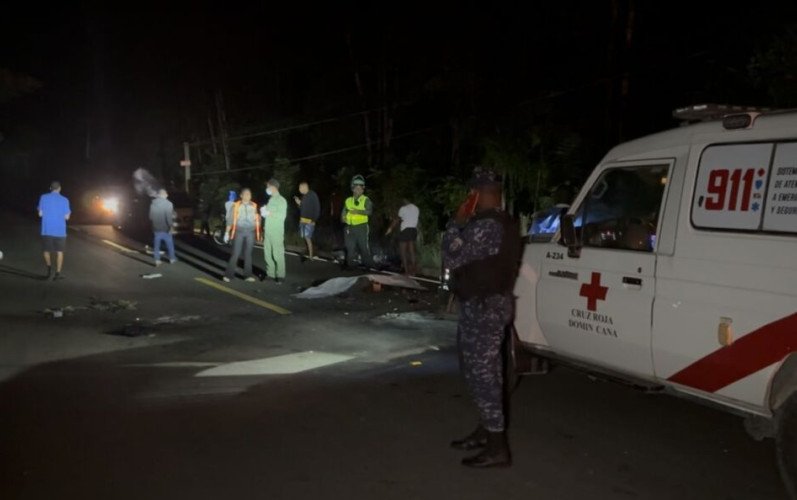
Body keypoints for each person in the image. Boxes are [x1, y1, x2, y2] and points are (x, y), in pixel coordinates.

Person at [443, 167, 520, 468]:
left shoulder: (487, 225)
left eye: (472, 192)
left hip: (484, 309)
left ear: (478, 193)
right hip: (485, 305)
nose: (469, 196)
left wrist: (456, 223)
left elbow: (452, 256)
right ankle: (486, 431)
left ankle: (497, 447)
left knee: (483, 376)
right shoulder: (501, 221)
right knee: (484, 374)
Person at [223, 188, 261, 282]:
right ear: (241, 195)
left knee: (248, 254)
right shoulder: (236, 205)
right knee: (235, 253)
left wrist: (259, 232)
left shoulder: (254, 206)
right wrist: (227, 233)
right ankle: (228, 275)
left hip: (250, 232)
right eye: (245, 194)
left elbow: (257, 220)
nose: (247, 196)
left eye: (249, 194)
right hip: (238, 232)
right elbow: (230, 220)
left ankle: (247, 275)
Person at [37, 181, 71, 280]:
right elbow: (67, 217)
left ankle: (49, 269)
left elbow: (40, 214)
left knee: (46, 251)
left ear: (50, 188)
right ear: (60, 188)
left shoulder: (43, 197)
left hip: (47, 229)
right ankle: (57, 273)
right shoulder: (65, 200)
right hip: (60, 231)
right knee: (59, 252)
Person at [340, 174, 375, 269]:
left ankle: (368, 265)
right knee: (350, 247)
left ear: (363, 189)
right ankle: (350, 264)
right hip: (349, 227)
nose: (359, 189)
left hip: (361, 227)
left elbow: (369, 211)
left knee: (363, 247)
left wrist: (358, 211)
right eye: (357, 187)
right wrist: (343, 217)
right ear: (352, 188)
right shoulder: (348, 200)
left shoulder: (366, 200)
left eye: (361, 187)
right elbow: (344, 211)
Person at [261, 179, 288, 284]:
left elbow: (282, 216)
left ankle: (280, 275)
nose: (266, 189)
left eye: (267, 186)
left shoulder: (281, 200)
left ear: (273, 187)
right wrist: (264, 212)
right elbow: (268, 214)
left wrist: (269, 213)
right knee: (267, 253)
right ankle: (270, 274)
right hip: (268, 230)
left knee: (277, 253)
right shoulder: (271, 200)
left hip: (276, 231)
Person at [386, 199, 420, 276]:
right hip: (413, 230)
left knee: (403, 251)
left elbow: (396, 220)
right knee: (411, 251)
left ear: (405, 200)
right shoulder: (416, 208)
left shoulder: (403, 208)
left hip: (405, 230)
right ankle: (413, 270)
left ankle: (406, 271)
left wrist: (390, 229)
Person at [149, 189, 177, 266]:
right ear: (165, 195)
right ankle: (172, 258)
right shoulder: (169, 204)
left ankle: (157, 260)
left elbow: (150, 217)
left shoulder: (153, 204)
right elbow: (168, 217)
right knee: (169, 243)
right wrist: (171, 226)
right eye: (166, 194)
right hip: (165, 228)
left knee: (156, 244)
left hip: (156, 228)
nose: (167, 195)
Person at [294, 182, 321, 261]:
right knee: (305, 238)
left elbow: (317, 208)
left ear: (304, 187)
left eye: (300, 188)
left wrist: (314, 220)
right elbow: (302, 208)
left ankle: (311, 256)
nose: (299, 189)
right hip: (302, 220)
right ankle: (309, 253)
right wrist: (299, 203)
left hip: (309, 221)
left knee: (308, 238)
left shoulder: (312, 195)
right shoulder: (304, 196)